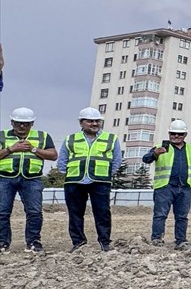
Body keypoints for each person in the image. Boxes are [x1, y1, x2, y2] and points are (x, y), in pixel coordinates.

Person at [58, 107, 123, 253]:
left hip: (100, 181)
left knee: (102, 212)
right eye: (90, 121)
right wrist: (69, 173)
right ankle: (78, 242)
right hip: (74, 181)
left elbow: (117, 160)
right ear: (81, 123)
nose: (94, 124)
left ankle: (104, 242)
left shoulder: (111, 139)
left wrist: (105, 174)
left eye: (97, 121)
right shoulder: (71, 139)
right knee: (75, 213)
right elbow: (62, 161)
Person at [142, 119, 191, 250]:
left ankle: (181, 241)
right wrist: (155, 153)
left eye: (179, 134)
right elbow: (146, 159)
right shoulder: (161, 146)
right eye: (173, 133)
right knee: (160, 215)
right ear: (169, 133)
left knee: (182, 216)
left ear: (185, 135)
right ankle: (157, 239)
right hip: (165, 187)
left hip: (184, 188)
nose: (176, 136)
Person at [0, 107, 58, 253]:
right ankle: (2, 242)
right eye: (18, 123)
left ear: (32, 123)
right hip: (5, 178)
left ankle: (33, 242)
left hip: (32, 179)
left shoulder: (42, 136)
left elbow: (53, 155)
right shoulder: (2, 136)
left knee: (34, 212)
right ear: (12, 122)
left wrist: (33, 149)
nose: (22, 126)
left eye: (26, 123)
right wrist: (11, 149)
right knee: (2, 212)